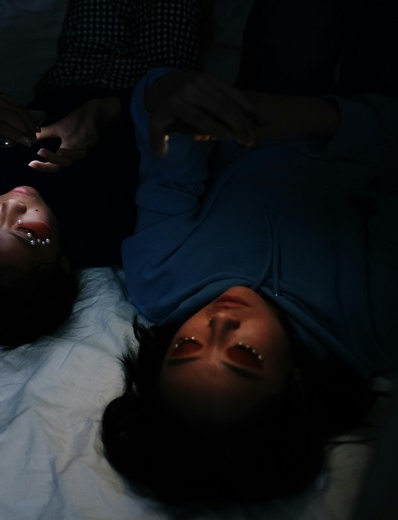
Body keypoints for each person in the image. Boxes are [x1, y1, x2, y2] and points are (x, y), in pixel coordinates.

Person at [102, 0, 397, 506]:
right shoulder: (373, 326)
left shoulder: (159, 282)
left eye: (186, 347)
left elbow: (169, 167)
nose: (217, 323)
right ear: (296, 384)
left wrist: (166, 95)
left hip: (257, 106)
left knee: (295, 22)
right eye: (245, 354)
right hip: (365, 126)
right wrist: (320, 119)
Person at [0, 0, 206, 347]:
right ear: (60, 268)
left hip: (77, 66)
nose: (11, 206)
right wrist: (105, 113)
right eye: (28, 233)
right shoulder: (107, 229)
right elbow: (175, 136)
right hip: (152, 81)